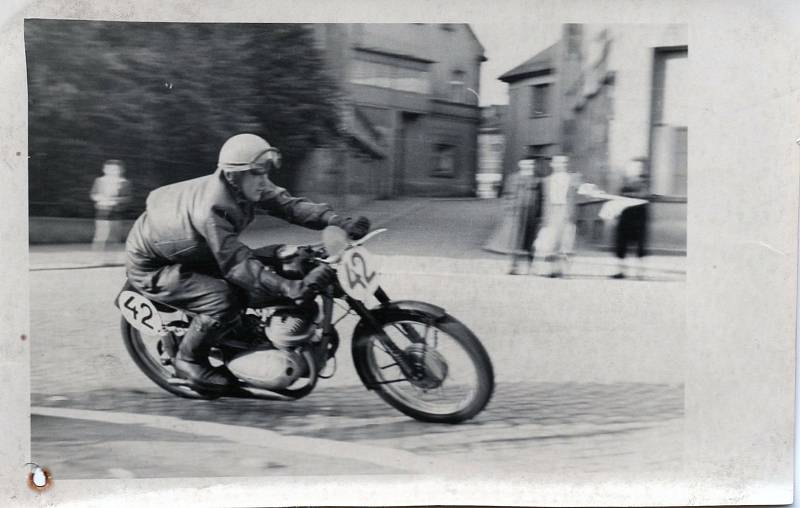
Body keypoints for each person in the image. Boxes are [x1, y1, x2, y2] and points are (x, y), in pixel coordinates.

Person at [125, 133, 371, 391]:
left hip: (197, 251)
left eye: (265, 172)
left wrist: (337, 221)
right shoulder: (211, 208)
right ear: (233, 176)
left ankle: (256, 334)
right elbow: (236, 264)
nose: (264, 180)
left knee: (289, 258)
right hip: (154, 265)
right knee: (223, 299)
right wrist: (289, 288)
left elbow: (291, 206)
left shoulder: (250, 185)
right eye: (257, 173)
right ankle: (188, 360)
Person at [533, 155, 580, 277]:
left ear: (566, 164)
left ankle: (564, 271)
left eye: (562, 162)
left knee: (566, 241)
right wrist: (545, 217)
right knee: (550, 241)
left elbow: (579, 194)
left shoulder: (573, 178)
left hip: (566, 210)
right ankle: (551, 270)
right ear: (552, 164)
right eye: (556, 162)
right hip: (551, 211)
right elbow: (544, 200)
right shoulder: (546, 180)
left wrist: (571, 214)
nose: (559, 165)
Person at [610, 163, 650, 279]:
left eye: (636, 169)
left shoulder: (644, 184)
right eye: (631, 169)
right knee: (621, 245)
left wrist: (631, 196)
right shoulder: (624, 185)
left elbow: (643, 197)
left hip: (638, 218)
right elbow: (618, 201)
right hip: (625, 218)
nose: (633, 172)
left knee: (640, 246)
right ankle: (621, 271)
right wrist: (615, 216)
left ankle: (640, 272)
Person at [506, 158, 544, 275]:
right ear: (520, 164)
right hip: (517, 213)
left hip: (532, 214)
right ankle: (513, 266)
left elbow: (542, 198)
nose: (528, 166)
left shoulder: (538, 179)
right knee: (515, 241)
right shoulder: (513, 178)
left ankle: (531, 267)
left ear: (533, 165)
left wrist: (540, 215)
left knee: (531, 241)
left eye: (530, 164)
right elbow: (508, 195)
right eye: (525, 163)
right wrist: (509, 211)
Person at [90, 160, 133, 259]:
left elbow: (128, 198)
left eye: (116, 169)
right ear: (104, 170)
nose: (113, 171)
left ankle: (111, 258)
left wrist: (116, 200)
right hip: (103, 210)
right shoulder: (99, 181)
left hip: (116, 211)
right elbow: (93, 194)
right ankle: (97, 258)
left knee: (114, 235)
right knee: (101, 235)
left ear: (122, 170)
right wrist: (99, 198)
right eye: (110, 169)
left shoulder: (125, 182)